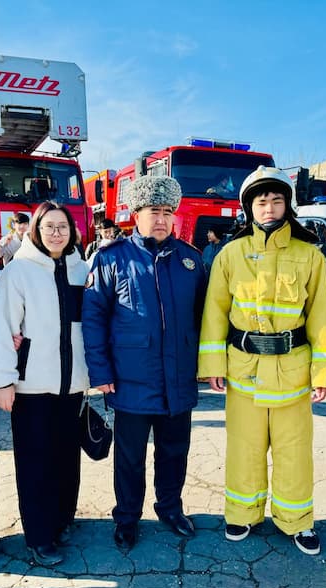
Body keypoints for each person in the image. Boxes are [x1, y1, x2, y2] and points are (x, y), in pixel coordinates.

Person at [198, 166, 326, 556]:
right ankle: (243, 514)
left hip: (292, 372)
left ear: (288, 204)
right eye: (261, 202)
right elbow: (215, 312)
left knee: (294, 452)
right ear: (249, 208)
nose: (269, 208)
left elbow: (321, 317)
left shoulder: (310, 255)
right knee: (244, 448)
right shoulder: (231, 254)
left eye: (276, 200)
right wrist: (213, 366)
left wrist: (323, 372)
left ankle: (297, 520)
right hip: (244, 370)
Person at [83, 176, 207, 551]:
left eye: (168, 212)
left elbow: (205, 319)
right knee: (130, 457)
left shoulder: (190, 260)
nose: (162, 219)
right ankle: (126, 517)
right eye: (154, 211)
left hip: (178, 380)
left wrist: (207, 367)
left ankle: (170, 508)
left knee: (174, 452)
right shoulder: (111, 258)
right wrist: (100, 372)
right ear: (136, 214)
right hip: (131, 380)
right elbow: (94, 319)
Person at [0, 202, 89, 567]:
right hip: (32, 386)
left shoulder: (81, 269)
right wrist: (3, 381)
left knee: (66, 458)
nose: (57, 233)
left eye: (63, 227)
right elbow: (4, 327)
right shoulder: (20, 270)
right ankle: (39, 535)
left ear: (72, 232)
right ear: (36, 231)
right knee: (36, 463)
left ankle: (62, 519)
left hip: (72, 384)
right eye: (49, 226)